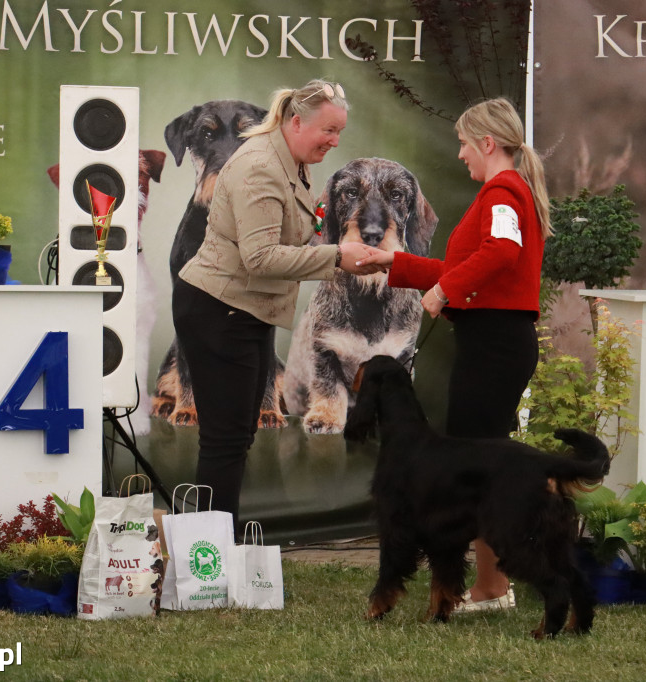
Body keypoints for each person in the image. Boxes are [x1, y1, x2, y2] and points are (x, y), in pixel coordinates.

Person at [356, 97, 552, 613]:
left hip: (494, 343)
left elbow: (499, 254)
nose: (461, 154)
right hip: (491, 339)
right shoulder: (502, 193)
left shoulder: (504, 190)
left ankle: (493, 587)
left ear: (487, 143)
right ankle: (490, 583)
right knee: (479, 462)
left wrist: (444, 293)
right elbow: (463, 264)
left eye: (465, 144)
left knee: (479, 464)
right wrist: (392, 262)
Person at [172, 79, 385, 532]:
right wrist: (337, 258)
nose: (335, 141)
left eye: (339, 132)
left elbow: (285, 233)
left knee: (238, 435)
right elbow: (261, 257)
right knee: (225, 441)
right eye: (328, 130)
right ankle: (208, 555)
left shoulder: (291, 160)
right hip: (217, 310)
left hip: (246, 311)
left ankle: (213, 547)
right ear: (294, 121)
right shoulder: (260, 167)